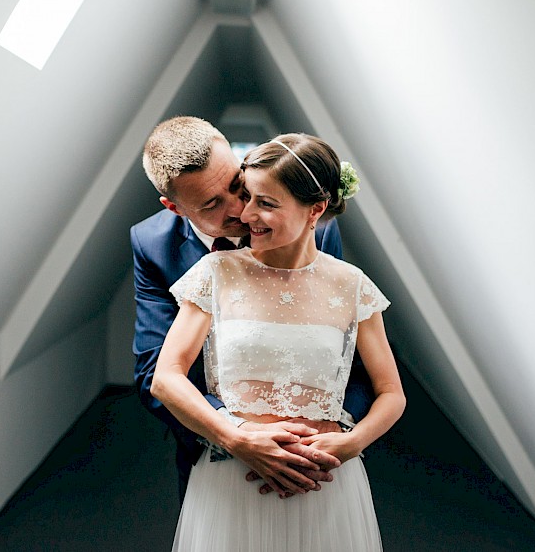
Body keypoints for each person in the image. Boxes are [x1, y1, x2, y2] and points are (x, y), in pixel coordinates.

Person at [151, 133, 406, 551]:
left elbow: (391, 393)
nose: (245, 214)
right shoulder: (215, 272)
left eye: (265, 204)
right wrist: (234, 436)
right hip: (233, 473)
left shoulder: (352, 285)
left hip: (324, 477)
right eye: (247, 196)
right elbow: (165, 377)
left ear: (316, 210)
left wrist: (349, 443)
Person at [131, 116, 374, 501]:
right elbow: (154, 375)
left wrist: (331, 432)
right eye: (212, 204)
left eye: (236, 184)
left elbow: (347, 357)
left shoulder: (312, 227)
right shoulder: (152, 245)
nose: (241, 210)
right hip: (216, 457)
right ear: (174, 208)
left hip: (312, 459)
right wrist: (237, 435)